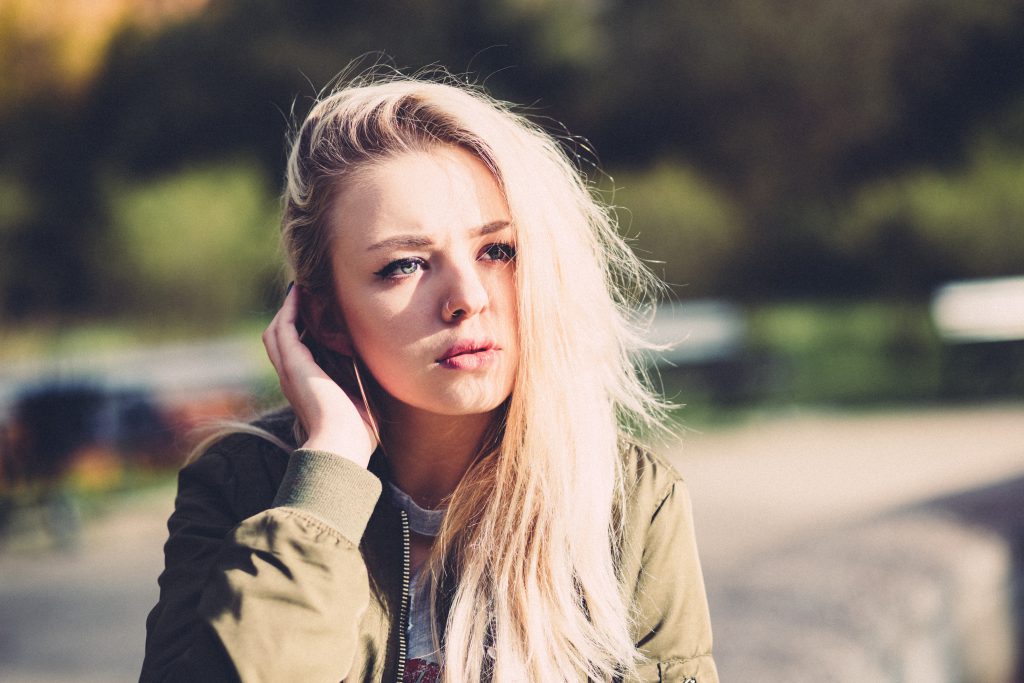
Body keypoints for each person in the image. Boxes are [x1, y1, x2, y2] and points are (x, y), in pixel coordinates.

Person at [141, 70, 717, 683]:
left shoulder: (624, 500)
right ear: (326, 316)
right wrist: (327, 480)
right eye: (404, 264)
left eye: (498, 251)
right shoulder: (242, 485)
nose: (467, 297)